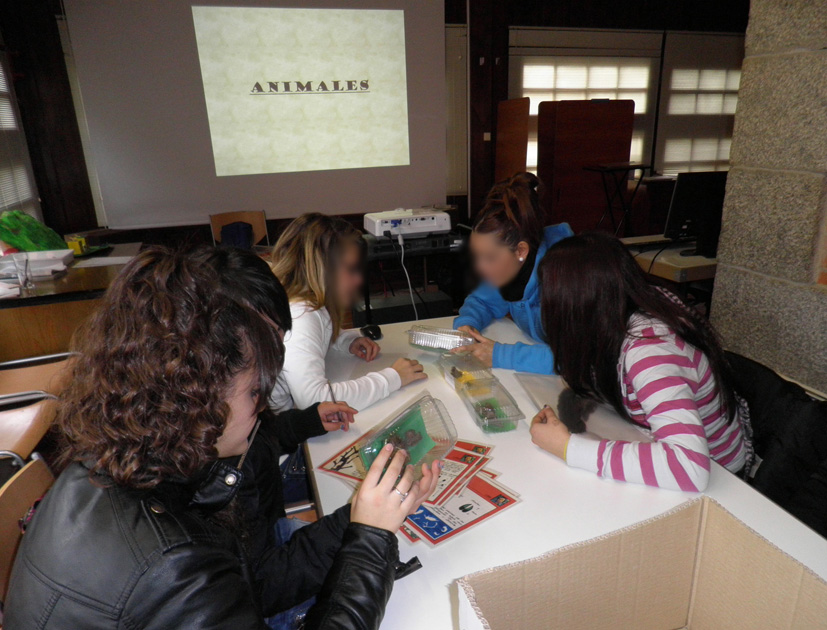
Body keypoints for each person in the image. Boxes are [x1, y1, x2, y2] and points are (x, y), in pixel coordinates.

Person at [4, 246, 440, 629]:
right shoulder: (178, 565)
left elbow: (248, 578)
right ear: (200, 393)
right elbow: (255, 587)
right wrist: (368, 539)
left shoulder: (115, 458)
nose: (265, 408)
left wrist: (362, 521)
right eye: (256, 391)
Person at [529, 232, 750, 492]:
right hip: (666, 445)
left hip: (722, 482)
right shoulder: (625, 308)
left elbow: (689, 468)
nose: (543, 305)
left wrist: (567, 447)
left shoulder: (649, 351)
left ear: (575, 307)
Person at [269, 213, 426, 413]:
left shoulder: (302, 303)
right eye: (351, 269)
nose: (359, 280)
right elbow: (315, 401)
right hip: (281, 433)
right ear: (322, 269)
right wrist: (393, 378)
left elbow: (311, 337)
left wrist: (344, 340)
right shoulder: (301, 314)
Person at [452, 172, 573, 374]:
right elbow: (483, 301)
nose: (479, 267)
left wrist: (500, 355)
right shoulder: (509, 269)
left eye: (490, 258)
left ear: (521, 251)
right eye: (476, 256)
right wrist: (467, 325)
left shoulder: (569, 277)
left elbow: (578, 358)